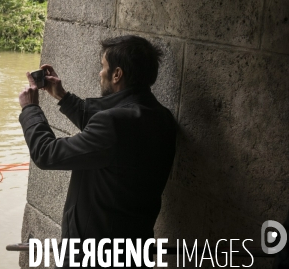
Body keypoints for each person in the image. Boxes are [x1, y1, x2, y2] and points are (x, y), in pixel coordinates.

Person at [18, 35, 177, 268]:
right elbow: (108, 134)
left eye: (103, 67)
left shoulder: (113, 123)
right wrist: (61, 95)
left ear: (117, 74)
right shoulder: (162, 118)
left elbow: (46, 153)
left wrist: (31, 109)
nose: (99, 73)